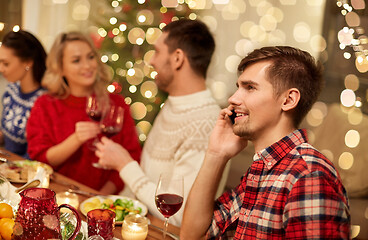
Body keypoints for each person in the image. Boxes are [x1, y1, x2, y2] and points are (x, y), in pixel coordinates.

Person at [181, 46, 351, 239]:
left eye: (250, 87)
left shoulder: (308, 175)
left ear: (288, 100)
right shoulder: (263, 168)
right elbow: (192, 235)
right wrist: (216, 154)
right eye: (238, 87)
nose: (233, 98)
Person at [95, 19, 220, 225]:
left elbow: (178, 215)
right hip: (140, 224)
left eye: (158, 51)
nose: (151, 60)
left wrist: (124, 165)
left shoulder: (206, 122)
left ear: (178, 58)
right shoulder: (174, 102)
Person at [26, 32, 141, 194]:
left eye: (91, 57)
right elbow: (40, 158)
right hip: (56, 195)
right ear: (60, 68)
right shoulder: (45, 105)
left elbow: (132, 156)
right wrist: (76, 139)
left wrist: (99, 198)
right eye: (76, 60)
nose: (87, 66)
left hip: (100, 202)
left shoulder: (117, 104)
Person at [0, 30, 47, 158]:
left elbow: (35, 154)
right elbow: (6, 134)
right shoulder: (11, 90)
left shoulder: (43, 102)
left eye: (6, 63)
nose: (1, 68)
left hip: (22, 171)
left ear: (28, 62)